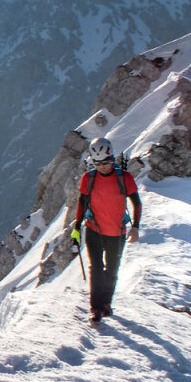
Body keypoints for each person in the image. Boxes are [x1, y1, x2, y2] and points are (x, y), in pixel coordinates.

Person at [70, 137, 141, 322]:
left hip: (117, 233)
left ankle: (106, 303)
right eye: (97, 163)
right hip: (94, 230)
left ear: (112, 158)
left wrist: (135, 227)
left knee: (112, 269)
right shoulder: (88, 179)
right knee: (96, 268)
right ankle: (96, 308)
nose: (102, 166)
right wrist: (76, 229)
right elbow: (82, 203)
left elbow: (136, 203)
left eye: (106, 161)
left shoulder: (124, 178)